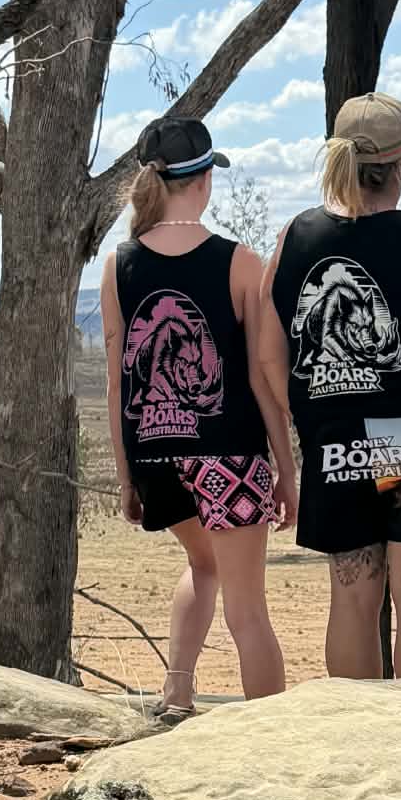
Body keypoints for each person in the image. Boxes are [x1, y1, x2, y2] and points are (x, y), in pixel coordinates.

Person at [260, 94, 401, 680]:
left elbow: (271, 356)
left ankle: (358, 744)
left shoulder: (295, 237)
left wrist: (309, 418)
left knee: (351, 601)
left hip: (335, 442)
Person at [103, 117, 297, 714]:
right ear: (205, 180)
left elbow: (117, 383)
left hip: (157, 456)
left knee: (202, 563)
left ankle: (176, 694)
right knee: (248, 609)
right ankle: (270, 731)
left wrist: (127, 474)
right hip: (229, 457)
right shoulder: (239, 261)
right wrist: (286, 465)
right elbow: (265, 376)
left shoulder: (119, 264)